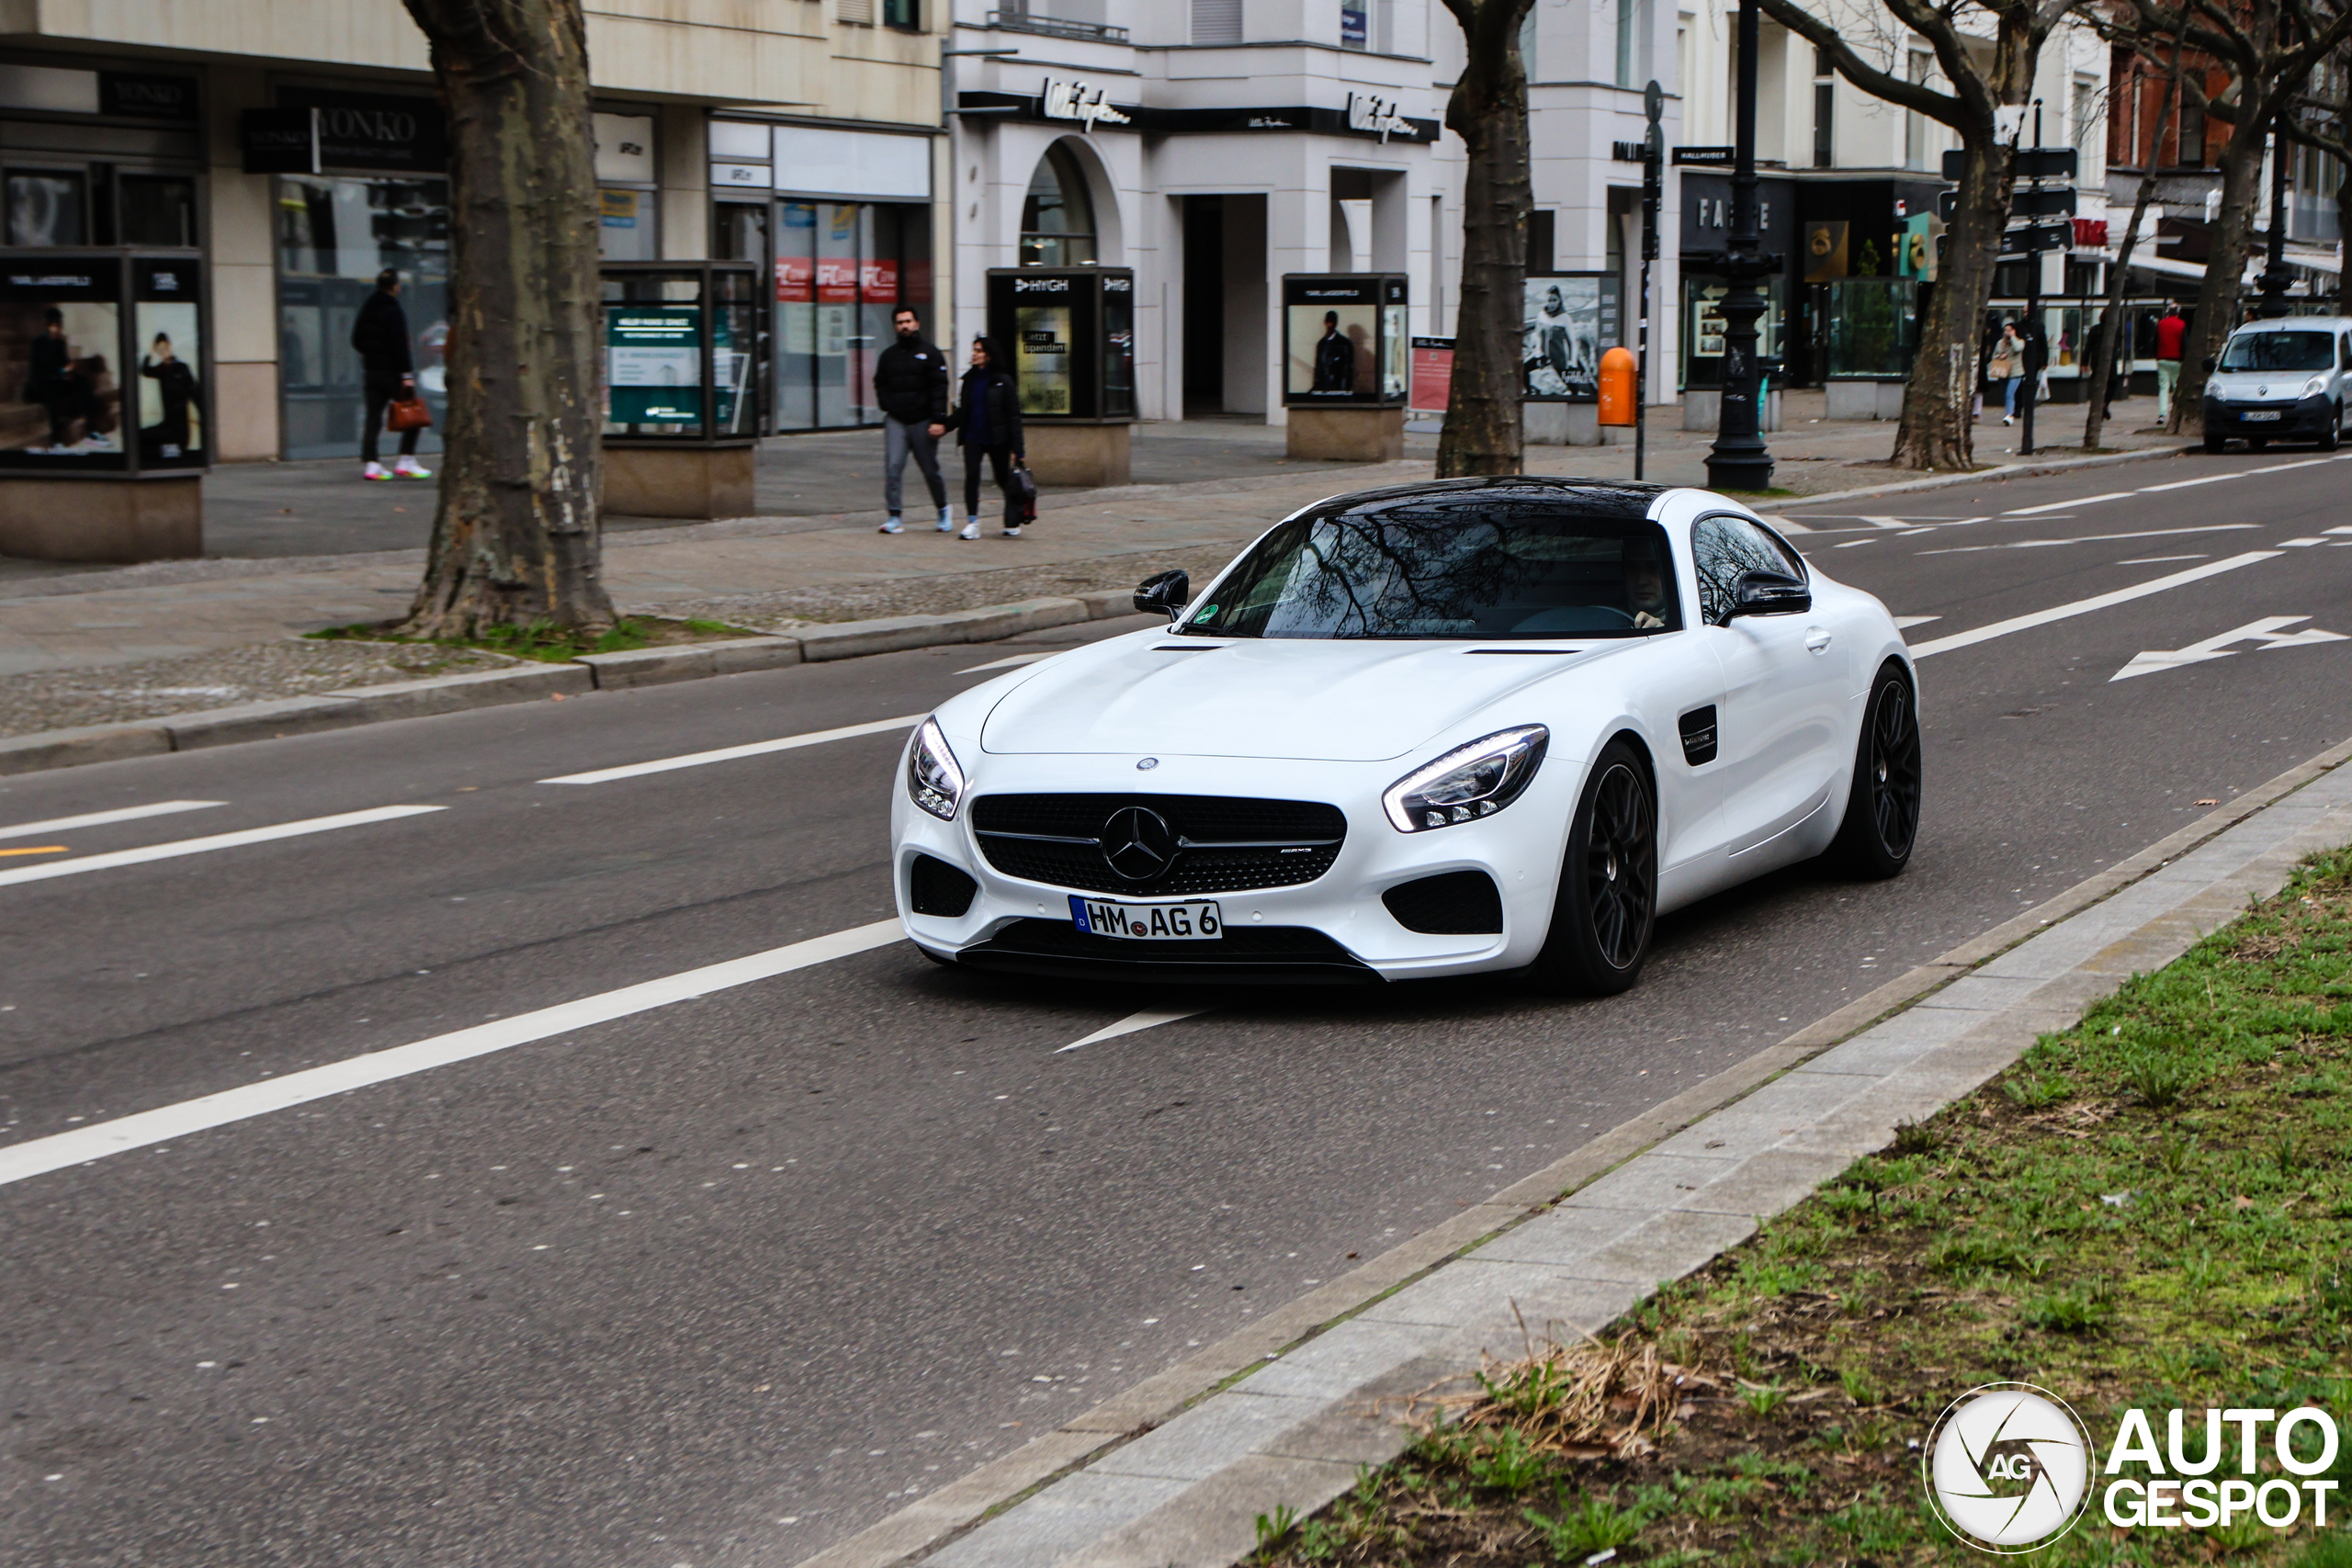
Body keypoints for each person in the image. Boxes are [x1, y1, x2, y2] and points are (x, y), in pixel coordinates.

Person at [872, 305, 952, 535]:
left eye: (908, 321)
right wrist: (887, 404)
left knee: (929, 468)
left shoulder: (931, 353)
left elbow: (939, 388)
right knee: (893, 467)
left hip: (923, 419)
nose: (904, 326)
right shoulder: (888, 356)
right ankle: (894, 515)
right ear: (895, 327)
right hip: (896, 419)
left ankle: (943, 510)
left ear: (916, 324)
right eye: (899, 322)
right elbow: (881, 383)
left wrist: (939, 420)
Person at [940, 337, 1024, 540]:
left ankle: (1013, 516)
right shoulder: (969, 380)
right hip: (973, 436)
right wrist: (946, 425)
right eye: (974, 350)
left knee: (1003, 478)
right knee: (972, 478)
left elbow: (1013, 416)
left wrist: (1018, 448)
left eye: (979, 350)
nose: (974, 354)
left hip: (997, 438)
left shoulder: (1003, 381)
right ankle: (972, 522)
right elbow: (963, 411)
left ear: (989, 354)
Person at [350, 268, 430, 480]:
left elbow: (356, 339)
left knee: (373, 418)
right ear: (395, 286)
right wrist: (406, 374)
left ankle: (372, 464)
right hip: (392, 372)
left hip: (372, 372)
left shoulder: (367, 308)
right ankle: (406, 459)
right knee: (413, 412)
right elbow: (400, 346)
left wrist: (371, 355)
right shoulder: (394, 310)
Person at [138, 332, 200, 457]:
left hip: (180, 431)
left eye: (165, 347)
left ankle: (173, 455)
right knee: (139, 438)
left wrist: (204, 419)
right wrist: (151, 351)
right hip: (167, 426)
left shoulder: (182, 368)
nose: (164, 352)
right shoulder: (162, 370)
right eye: (160, 349)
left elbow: (195, 394)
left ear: (170, 346)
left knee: (143, 439)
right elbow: (144, 370)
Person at [1623, 541, 1668, 631]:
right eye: (1632, 568)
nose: (1641, 581)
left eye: (1653, 568)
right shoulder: (1604, 618)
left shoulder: (1688, 621)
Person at [2154, 305, 2187, 424]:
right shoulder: (2182, 324)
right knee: (2176, 387)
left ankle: (2162, 414)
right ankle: (2177, 412)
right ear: (2178, 313)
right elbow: (2184, 343)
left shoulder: (2161, 324)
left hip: (2162, 359)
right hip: (2176, 359)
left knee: (2163, 387)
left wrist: (2156, 355)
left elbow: (2156, 341)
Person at [1310, 309, 1355, 393]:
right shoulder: (1321, 344)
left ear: (1336, 323)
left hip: (1338, 386)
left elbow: (1348, 368)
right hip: (1323, 386)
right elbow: (1318, 367)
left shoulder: (1344, 343)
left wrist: (1345, 389)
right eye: (1328, 322)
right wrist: (1316, 386)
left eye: (1332, 322)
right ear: (1325, 322)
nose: (1330, 325)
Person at [1990, 321, 2025, 425]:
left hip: (2015, 372)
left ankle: (2009, 415)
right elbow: (1994, 356)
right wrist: (1999, 356)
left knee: (2010, 393)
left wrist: (2013, 337)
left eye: (2009, 330)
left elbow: (2018, 348)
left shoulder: (2020, 341)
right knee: (2006, 394)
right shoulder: (2001, 343)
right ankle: (2009, 413)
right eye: (2005, 330)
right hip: (2003, 371)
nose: (2007, 332)